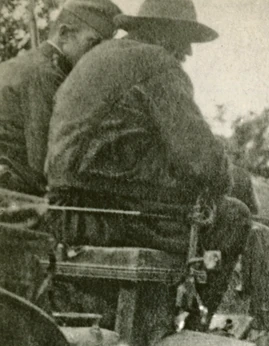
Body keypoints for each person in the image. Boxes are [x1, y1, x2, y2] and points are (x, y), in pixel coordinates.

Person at [43, 0, 250, 319]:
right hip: (115, 219)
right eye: (184, 39)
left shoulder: (95, 58)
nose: (188, 52)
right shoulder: (158, 65)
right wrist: (223, 175)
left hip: (64, 213)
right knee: (235, 215)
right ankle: (192, 326)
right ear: (163, 32)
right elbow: (203, 163)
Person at [0, 0, 120, 195]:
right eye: (93, 43)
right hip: (13, 192)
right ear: (64, 34)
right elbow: (44, 162)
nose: (98, 55)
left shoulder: (30, 64)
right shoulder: (45, 73)